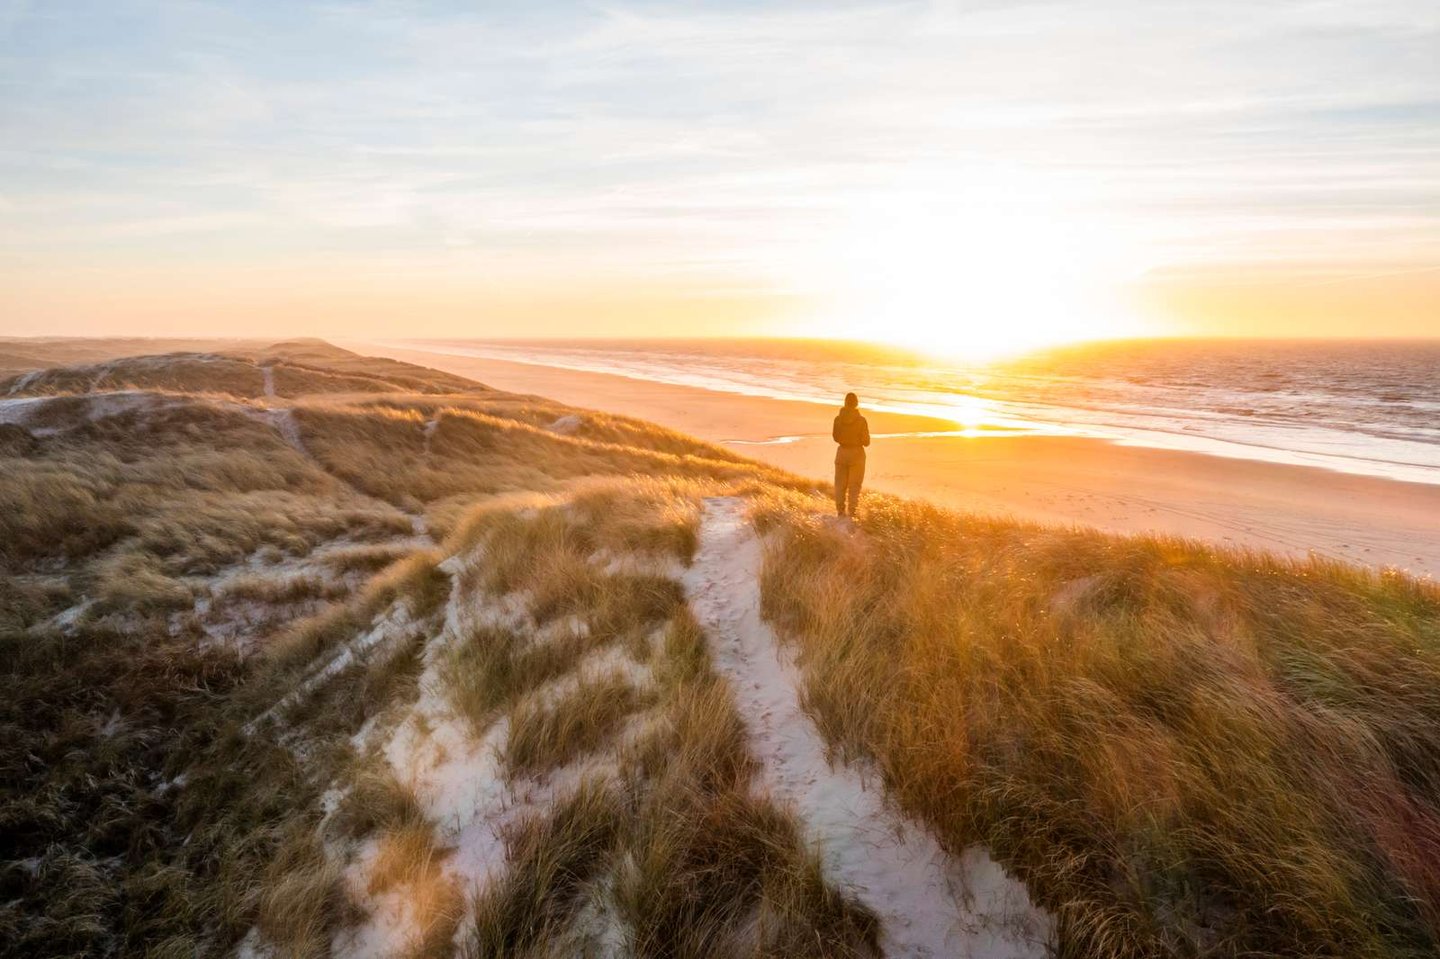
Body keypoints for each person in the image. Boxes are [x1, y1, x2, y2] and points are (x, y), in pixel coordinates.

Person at [832, 392, 870, 518]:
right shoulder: (861, 421)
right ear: (856, 403)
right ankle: (852, 514)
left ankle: (840, 513)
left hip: (841, 452)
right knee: (854, 486)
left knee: (840, 485)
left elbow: (835, 437)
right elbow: (866, 442)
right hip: (857, 454)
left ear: (845, 403)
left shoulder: (838, 419)